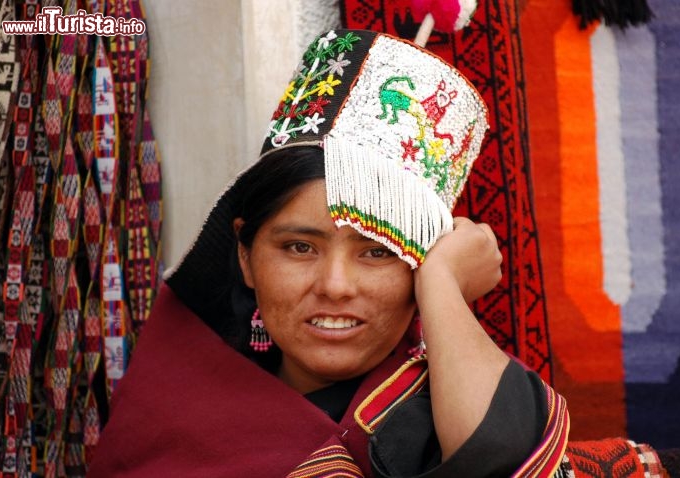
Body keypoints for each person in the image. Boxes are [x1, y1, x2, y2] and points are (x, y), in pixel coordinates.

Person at [87, 29, 569, 477]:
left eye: (378, 252)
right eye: (300, 247)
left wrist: (442, 281)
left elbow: (497, 456)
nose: (335, 285)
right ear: (245, 256)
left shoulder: (442, 408)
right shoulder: (169, 398)